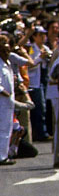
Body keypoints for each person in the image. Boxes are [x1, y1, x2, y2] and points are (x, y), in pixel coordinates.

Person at [0, 36, 15, 165]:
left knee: (7, 128)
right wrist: (5, 93)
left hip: (8, 103)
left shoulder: (8, 63)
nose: (7, 53)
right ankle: (1, 156)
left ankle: (3, 154)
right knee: (3, 129)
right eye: (4, 51)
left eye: (8, 50)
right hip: (2, 101)